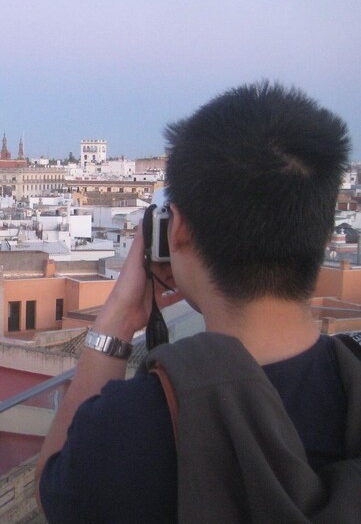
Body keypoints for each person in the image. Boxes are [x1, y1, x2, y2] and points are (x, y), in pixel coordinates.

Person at [35, 82, 361, 522]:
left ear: (179, 229)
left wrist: (117, 320)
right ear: (323, 234)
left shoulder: (131, 425)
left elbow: (53, 490)